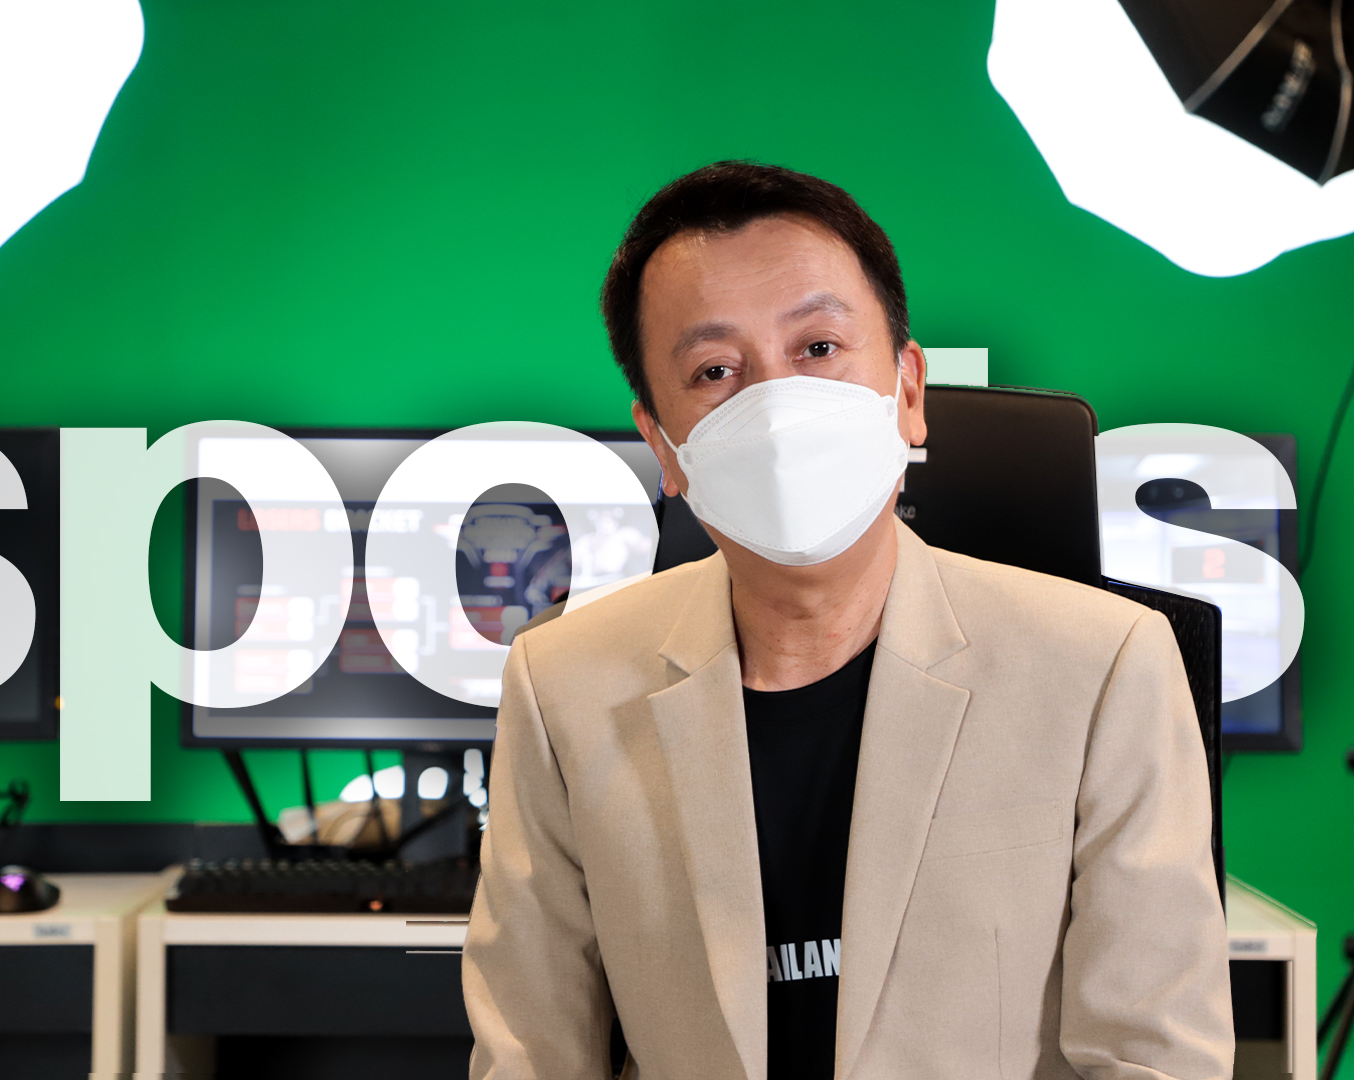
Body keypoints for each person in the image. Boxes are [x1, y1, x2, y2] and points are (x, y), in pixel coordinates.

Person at [462, 163, 1231, 1080]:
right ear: (663, 444)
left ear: (907, 390)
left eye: (818, 348)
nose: (775, 407)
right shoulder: (563, 685)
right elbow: (531, 1052)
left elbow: (1156, 1057)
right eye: (715, 371)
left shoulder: (1104, 665)